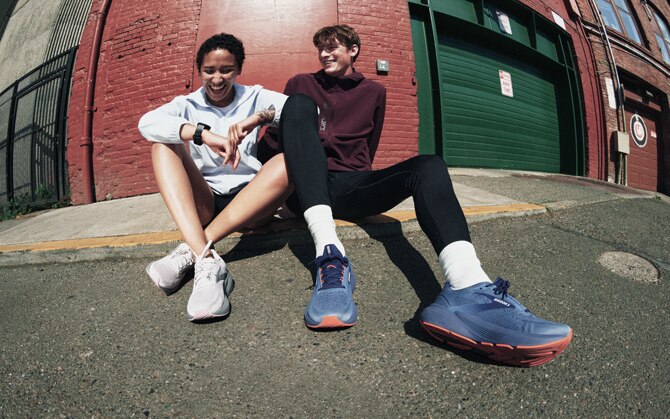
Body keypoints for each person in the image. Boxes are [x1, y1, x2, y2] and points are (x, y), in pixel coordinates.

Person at [260, 24, 572, 366]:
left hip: (352, 185)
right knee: (297, 106)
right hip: (306, 185)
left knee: (429, 165)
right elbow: (278, 142)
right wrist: (274, 191)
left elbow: (368, 147)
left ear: (353, 50)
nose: (324, 54)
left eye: (332, 47)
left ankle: (467, 285)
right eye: (320, 48)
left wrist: (364, 182)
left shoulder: (373, 91)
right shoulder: (301, 84)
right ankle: (330, 255)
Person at [138, 33, 292, 322]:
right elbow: (146, 124)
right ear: (199, 70)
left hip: (251, 202)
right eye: (209, 70)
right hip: (206, 202)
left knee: (287, 162)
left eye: (226, 70)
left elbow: (307, 111)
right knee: (162, 143)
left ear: (238, 69)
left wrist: (258, 118)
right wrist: (202, 134)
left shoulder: (254, 96)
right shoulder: (187, 103)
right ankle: (209, 262)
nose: (217, 79)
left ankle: (193, 249)